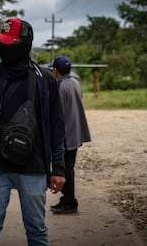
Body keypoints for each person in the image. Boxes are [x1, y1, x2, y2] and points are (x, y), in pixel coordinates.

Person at [0, 18, 66, 246]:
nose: (4, 49)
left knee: (37, 232)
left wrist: (58, 167)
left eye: (9, 45)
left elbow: (57, 126)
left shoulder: (45, 80)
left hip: (34, 168)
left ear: (24, 45)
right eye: (1, 43)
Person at [49, 55, 91, 214]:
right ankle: (66, 198)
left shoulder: (60, 87)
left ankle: (70, 202)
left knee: (66, 170)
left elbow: (58, 114)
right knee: (69, 167)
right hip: (77, 131)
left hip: (66, 134)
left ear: (55, 71)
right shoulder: (75, 82)